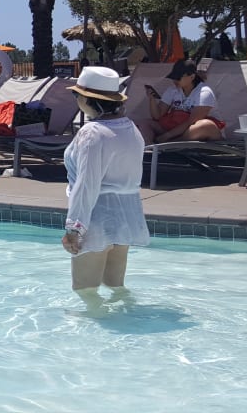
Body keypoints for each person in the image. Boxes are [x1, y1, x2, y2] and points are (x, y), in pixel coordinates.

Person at [62, 66, 150, 307]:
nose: (76, 98)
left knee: (85, 290)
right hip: (127, 216)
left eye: (76, 94)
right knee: (116, 287)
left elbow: (86, 183)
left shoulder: (92, 133)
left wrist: (74, 228)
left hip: (95, 216)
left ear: (88, 100)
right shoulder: (131, 129)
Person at [140, 59, 223, 144]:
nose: (175, 80)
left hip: (197, 133)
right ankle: (148, 150)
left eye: (178, 78)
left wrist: (167, 136)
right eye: (173, 77)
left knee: (205, 125)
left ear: (192, 77)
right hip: (176, 130)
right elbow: (157, 116)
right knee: (145, 123)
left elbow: (192, 121)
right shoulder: (172, 90)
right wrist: (152, 99)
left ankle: (171, 145)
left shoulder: (204, 92)